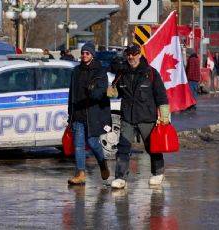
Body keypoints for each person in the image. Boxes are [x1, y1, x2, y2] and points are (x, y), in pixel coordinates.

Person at [106, 43, 170, 189]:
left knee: (152, 147)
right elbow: (118, 92)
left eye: (134, 54)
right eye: (128, 54)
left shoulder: (151, 73)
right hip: (128, 116)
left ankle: (158, 172)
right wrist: (113, 92)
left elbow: (161, 95)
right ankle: (121, 178)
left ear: (140, 55)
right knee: (123, 147)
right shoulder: (122, 73)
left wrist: (165, 115)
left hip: (147, 117)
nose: (131, 57)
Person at [67, 42, 111, 185]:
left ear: (92, 55)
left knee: (93, 143)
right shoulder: (76, 71)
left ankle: (102, 163)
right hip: (78, 114)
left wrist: (93, 92)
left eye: (87, 53)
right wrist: (70, 114)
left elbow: (102, 92)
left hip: (92, 114)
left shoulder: (100, 71)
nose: (84, 55)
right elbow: (71, 94)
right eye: (83, 53)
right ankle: (80, 173)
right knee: (78, 145)